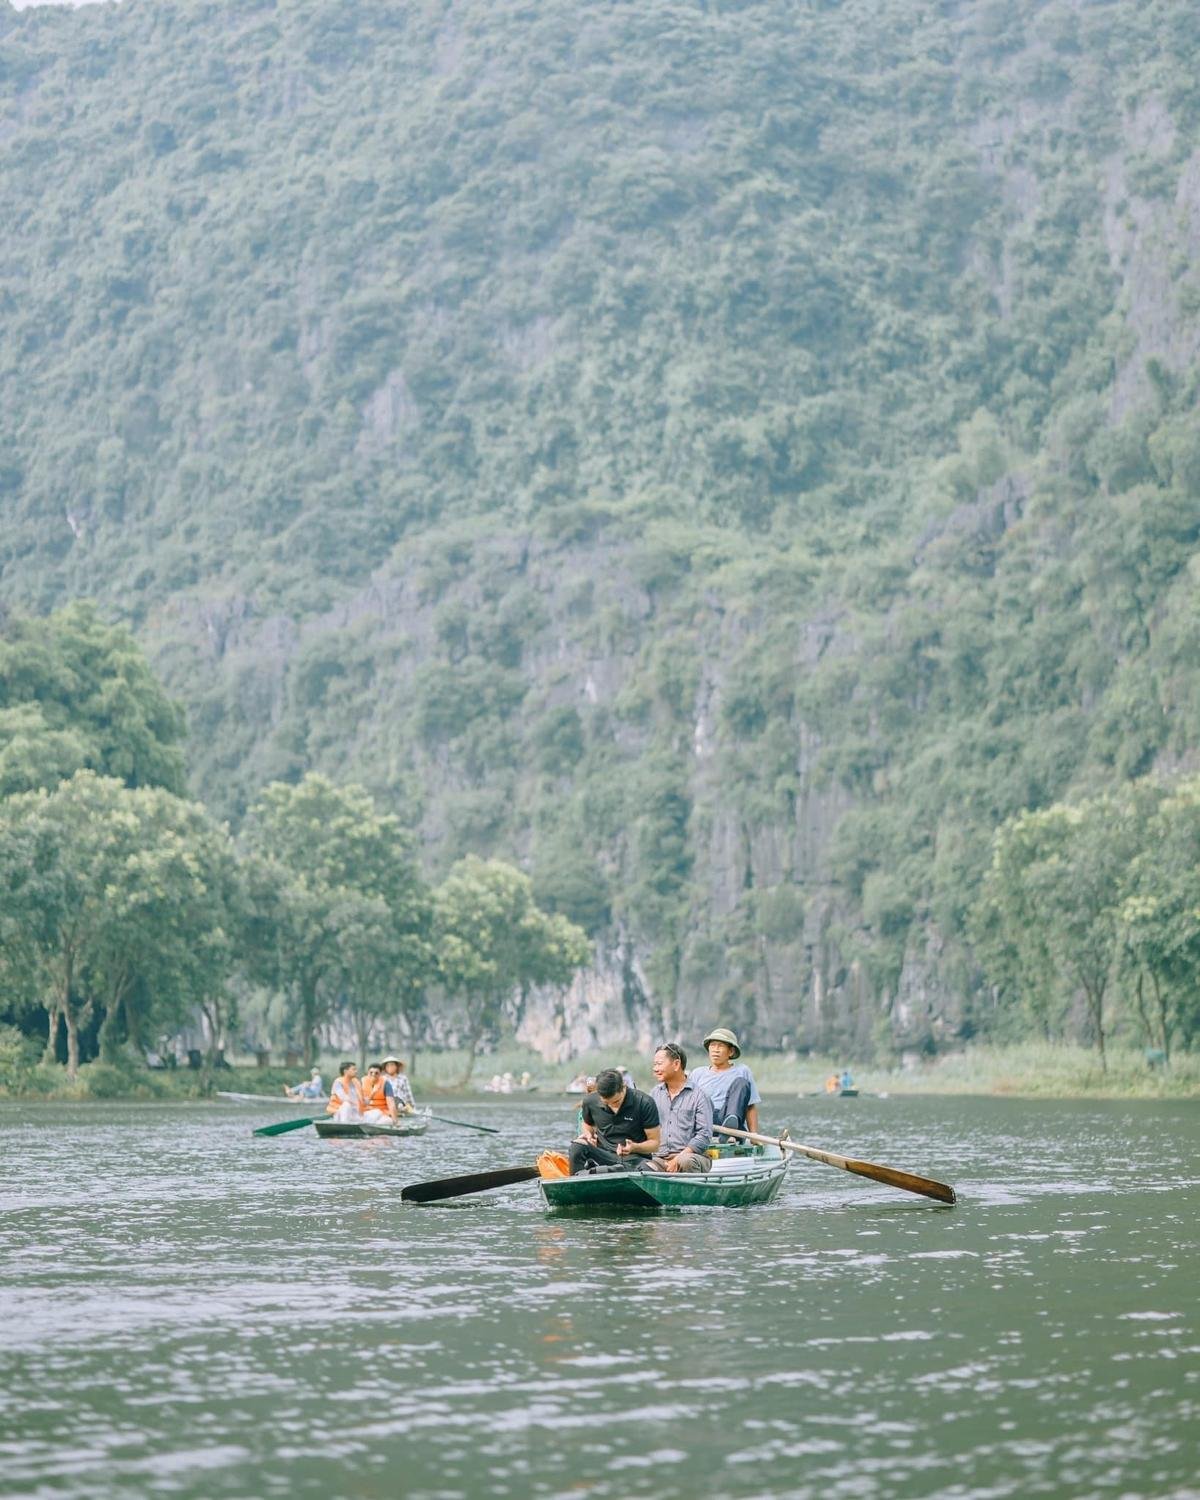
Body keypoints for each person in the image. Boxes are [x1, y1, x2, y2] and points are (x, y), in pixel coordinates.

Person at [568, 1067, 660, 1175]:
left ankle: (596, 1172)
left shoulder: (644, 1102)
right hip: (604, 1154)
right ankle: (580, 1180)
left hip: (635, 1158)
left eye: (616, 1102)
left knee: (649, 1169)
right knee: (576, 1147)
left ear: (624, 1087)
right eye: (607, 1103)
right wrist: (588, 1134)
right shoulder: (590, 1101)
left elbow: (655, 1144)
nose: (612, 1106)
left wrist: (635, 1147)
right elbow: (587, 1123)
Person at [644, 1042, 713, 1174]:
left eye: (659, 1064)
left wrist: (679, 1157)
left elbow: (704, 1135)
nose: (655, 1068)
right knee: (643, 1167)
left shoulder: (699, 1096)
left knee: (685, 1162)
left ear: (676, 1064)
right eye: (654, 1064)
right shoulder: (654, 1094)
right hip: (661, 1158)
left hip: (691, 1156)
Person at [690, 1027, 761, 1135]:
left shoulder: (742, 1071)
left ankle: (730, 1128)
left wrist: (754, 1135)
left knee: (741, 1083)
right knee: (702, 1099)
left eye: (721, 1046)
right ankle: (726, 1135)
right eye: (713, 1045)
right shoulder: (697, 1073)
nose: (716, 1049)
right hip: (706, 1124)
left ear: (731, 1051)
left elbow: (750, 1107)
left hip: (733, 1122)